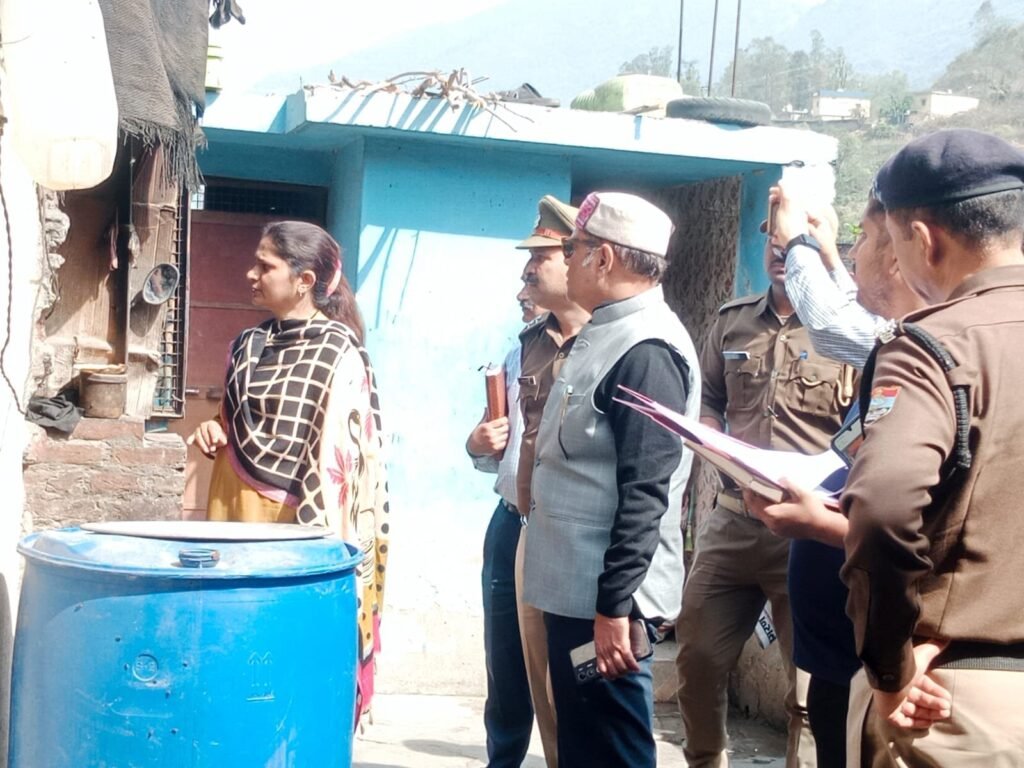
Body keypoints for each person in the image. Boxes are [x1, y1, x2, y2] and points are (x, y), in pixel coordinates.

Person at [839, 128, 1024, 765]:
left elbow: (883, 508)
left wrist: (889, 668)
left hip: (955, 703)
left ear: (923, 239)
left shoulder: (933, 347)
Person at [746, 184, 926, 768]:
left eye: (865, 240)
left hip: (881, 662)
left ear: (904, 253)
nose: (851, 254)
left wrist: (800, 242)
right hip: (843, 650)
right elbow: (860, 316)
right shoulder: (896, 341)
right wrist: (819, 251)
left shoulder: (925, 353)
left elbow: (830, 327)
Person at [187, 220, 389, 725]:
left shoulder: (339, 352)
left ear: (304, 280)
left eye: (266, 265)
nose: (251, 274)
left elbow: (347, 454)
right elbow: (234, 421)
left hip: (293, 527)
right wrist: (214, 430)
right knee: (228, 647)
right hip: (229, 510)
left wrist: (322, 538)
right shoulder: (246, 343)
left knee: (280, 656)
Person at [523, 192, 700, 768]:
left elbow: (646, 491)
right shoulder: (608, 329)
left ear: (603, 259)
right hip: (578, 589)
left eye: (574, 249)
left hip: (606, 602)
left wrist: (614, 607)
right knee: (584, 749)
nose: (567, 260)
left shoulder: (647, 349)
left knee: (614, 751)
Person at [675, 227, 858, 768]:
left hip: (807, 530)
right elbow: (709, 398)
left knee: (807, 686)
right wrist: (712, 441)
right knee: (698, 660)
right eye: (773, 245)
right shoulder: (732, 320)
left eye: (792, 244)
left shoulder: (843, 331)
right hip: (733, 520)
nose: (781, 254)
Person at [514, 193, 589, 768]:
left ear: (577, 259)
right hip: (532, 525)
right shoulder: (532, 341)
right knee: (542, 687)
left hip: (588, 540)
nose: (528, 269)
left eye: (542, 256)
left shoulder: (617, 342)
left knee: (591, 690)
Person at [465, 283, 546, 768]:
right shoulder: (519, 355)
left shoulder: (597, 352)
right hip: (509, 522)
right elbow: (488, 447)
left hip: (559, 533)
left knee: (561, 672)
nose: (521, 292)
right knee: (504, 664)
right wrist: (478, 443)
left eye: (533, 276)